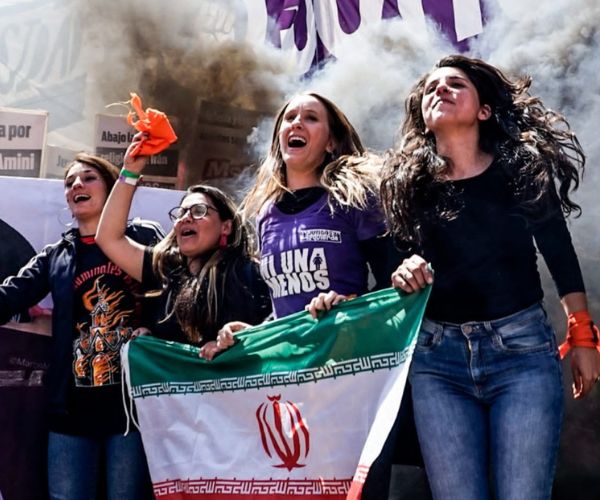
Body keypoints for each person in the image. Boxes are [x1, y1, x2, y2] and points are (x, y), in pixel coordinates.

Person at [380, 54, 600, 500]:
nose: (439, 90)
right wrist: (403, 272)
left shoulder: (520, 169)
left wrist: (582, 336)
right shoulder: (407, 185)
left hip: (520, 354)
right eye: (431, 88)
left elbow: (558, 250)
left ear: (483, 110)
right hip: (437, 364)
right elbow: (398, 268)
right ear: (423, 119)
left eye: (455, 84)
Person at [212, 92, 418, 499]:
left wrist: (348, 309)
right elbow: (285, 306)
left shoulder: (353, 199)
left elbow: (394, 289)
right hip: (293, 384)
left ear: (331, 142)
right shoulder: (264, 215)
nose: (296, 124)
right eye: (289, 118)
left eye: (310, 118)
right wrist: (252, 332)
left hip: (354, 378)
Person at [0, 153, 164, 499]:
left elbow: (176, 295)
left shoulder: (144, 236)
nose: (77, 185)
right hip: (70, 412)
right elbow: (8, 297)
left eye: (88, 178)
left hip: (132, 412)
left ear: (111, 188)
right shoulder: (56, 254)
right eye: (70, 182)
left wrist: (152, 330)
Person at [95, 141, 272, 357]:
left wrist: (242, 339)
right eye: (181, 213)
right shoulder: (164, 269)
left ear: (225, 227)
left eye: (199, 210)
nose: (186, 218)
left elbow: (275, 333)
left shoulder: (250, 274)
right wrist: (130, 172)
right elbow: (108, 238)